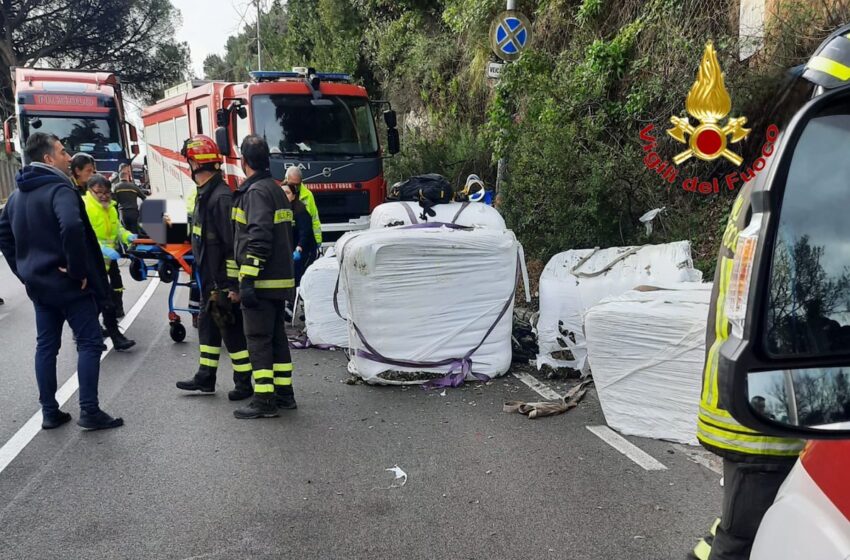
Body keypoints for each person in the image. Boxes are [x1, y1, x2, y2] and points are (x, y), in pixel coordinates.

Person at [690, 178, 803, 560]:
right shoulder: (799, 176)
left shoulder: (767, 180)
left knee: (739, 530)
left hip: (748, 400)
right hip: (768, 416)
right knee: (745, 540)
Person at [0, 133, 123, 430]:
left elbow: (4, 236)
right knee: (91, 342)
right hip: (70, 286)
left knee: (46, 347)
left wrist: (24, 272)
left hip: (40, 286)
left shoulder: (17, 196)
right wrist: (78, 272)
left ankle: (50, 412)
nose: (68, 157)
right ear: (48, 159)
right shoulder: (60, 190)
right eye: (61, 151)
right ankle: (89, 410)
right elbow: (70, 225)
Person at [175, 135, 253, 401]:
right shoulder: (204, 195)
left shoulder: (220, 198)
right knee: (208, 326)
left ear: (195, 163)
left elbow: (233, 245)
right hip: (207, 278)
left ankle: (244, 383)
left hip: (221, 280)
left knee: (230, 331)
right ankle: (205, 377)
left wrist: (232, 285)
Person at [232, 135, 297, 419]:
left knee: (258, 340)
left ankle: (264, 400)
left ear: (244, 161)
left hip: (261, 280)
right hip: (280, 280)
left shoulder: (256, 193)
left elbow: (258, 237)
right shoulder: (276, 190)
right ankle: (285, 395)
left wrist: (247, 278)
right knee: (277, 340)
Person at [84, 174, 137, 351]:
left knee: (103, 302)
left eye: (107, 193)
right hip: (89, 263)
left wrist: (128, 236)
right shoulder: (85, 208)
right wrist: (102, 249)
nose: (104, 196)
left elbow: (118, 228)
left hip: (103, 263)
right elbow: (84, 236)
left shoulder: (110, 208)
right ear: (90, 191)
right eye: (100, 192)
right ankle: (108, 338)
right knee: (101, 302)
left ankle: (105, 336)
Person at [282, 181, 318, 286]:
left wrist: (299, 247)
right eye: (282, 193)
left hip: (304, 252)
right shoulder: (279, 211)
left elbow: (305, 231)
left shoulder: (300, 211)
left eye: (287, 193)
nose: (284, 196)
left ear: (293, 196)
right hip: (289, 252)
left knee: (300, 279)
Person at [284, 167, 322, 246]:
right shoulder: (280, 192)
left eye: (297, 184)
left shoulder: (307, 195)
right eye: (292, 184)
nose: (295, 187)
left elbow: (314, 218)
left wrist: (318, 239)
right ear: (286, 179)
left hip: (303, 239)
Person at [112, 163, 146, 234]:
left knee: (125, 233)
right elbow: (144, 197)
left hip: (122, 213)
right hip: (134, 213)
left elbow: (114, 201)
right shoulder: (133, 186)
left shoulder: (116, 187)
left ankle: (127, 245)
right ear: (127, 177)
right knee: (135, 232)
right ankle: (135, 244)